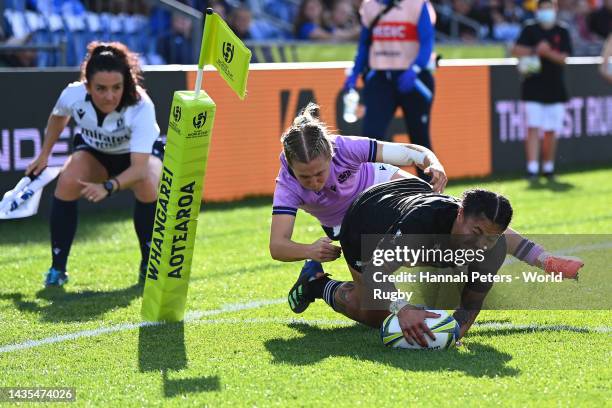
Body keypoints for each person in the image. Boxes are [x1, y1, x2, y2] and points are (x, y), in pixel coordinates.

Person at [271, 104, 583, 315]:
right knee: (373, 311)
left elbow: (414, 153)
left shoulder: (346, 147)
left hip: (389, 186)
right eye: (305, 177)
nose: (314, 182)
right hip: (352, 224)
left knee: (469, 221)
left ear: (331, 154)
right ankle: (318, 284)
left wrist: (434, 164)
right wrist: (310, 249)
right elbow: (278, 246)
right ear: (293, 171)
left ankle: (544, 259)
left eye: (320, 173)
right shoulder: (287, 184)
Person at [290, 177, 513, 346]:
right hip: (366, 220)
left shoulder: (493, 249)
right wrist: (403, 308)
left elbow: (471, 302)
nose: (481, 243)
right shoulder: (420, 223)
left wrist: (452, 335)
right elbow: (376, 271)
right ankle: (316, 284)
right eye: (476, 231)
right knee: (376, 313)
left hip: (407, 200)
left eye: (491, 238)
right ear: (461, 214)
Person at [26, 41, 163, 287]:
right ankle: (58, 268)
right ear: (87, 85)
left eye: (116, 87)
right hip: (95, 152)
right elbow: (59, 116)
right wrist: (44, 154)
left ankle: (149, 263)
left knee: (148, 183)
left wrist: (108, 187)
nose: (109, 96)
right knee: (67, 181)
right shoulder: (73, 94)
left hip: (136, 157)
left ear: (126, 83)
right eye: (100, 88)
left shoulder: (141, 106)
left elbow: (139, 168)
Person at [343, 0, 436, 180]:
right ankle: (372, 190)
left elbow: (427, 41)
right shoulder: (369, 6)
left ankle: (433, 194)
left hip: (413, 80)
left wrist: (415, 69)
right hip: (381, 80)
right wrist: (354, 72)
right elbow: (364, 44)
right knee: (371, 139)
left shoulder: (417, 4)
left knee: (420, 138)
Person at [511, 0, 572, 180]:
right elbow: (515, 49)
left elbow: (564, 58)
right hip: (532, 87)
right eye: (543, 8)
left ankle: (548, 167)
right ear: (537, 10)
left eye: (549, 7)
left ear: (555, 9)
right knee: (533, 128)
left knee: (551, 130)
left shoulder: (563, 30)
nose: (546, 11)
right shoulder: (529, 28)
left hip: (555, 87)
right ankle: (532, 168)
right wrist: (535, 50)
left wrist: (547, 53)